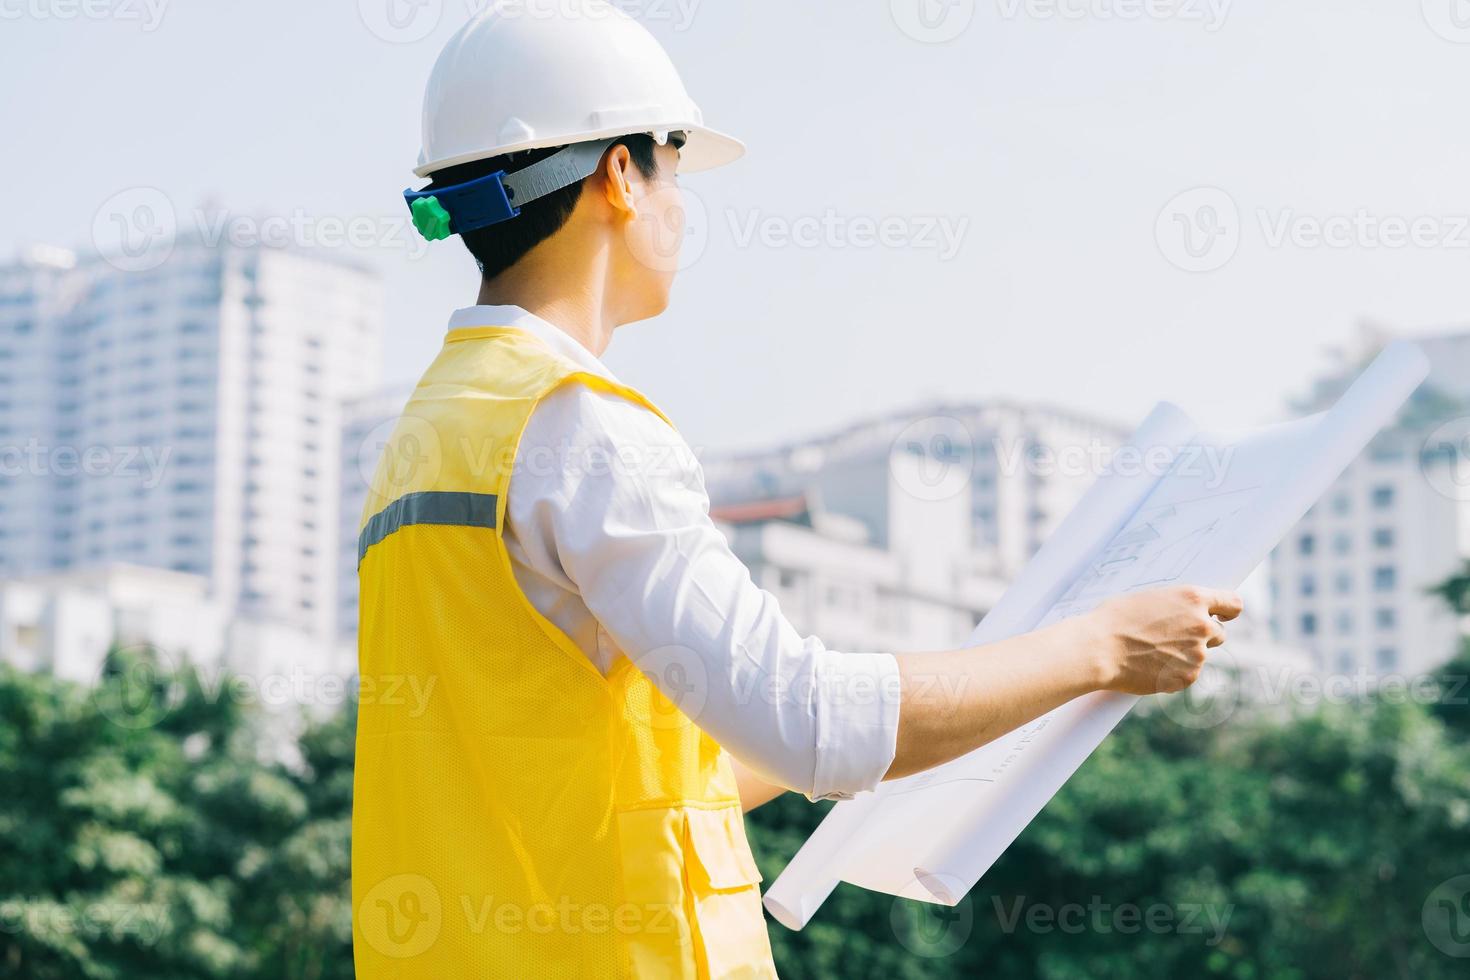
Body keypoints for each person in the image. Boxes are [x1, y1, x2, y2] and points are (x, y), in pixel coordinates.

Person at [352, 4, 1244, 977]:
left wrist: (962, 696)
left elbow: (609, 775)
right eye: (676, 169)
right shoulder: (578, 424)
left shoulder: (434, 434)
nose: (683, 206)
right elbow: (813, 719)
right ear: (620, 174)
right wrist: (1101, 644)